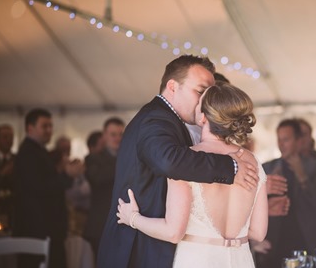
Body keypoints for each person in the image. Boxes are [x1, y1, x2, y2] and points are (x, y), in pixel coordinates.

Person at [97, 55, 258, 268]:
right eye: (200, 92)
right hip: (138, 249)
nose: (204, 102)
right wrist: (231, 167)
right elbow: (169, 161)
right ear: (172, 86)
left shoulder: (170, 120)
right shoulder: (155, 119)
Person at [12, 108, 83, 268]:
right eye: (45, 126)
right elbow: (39, 188)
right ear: (30, 128)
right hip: (37, 229)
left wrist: (66, 173)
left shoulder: (39, 151)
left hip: (46, 228)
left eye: (51, 126)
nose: (49, 130)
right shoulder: (28, 153)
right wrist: (67, 175)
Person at [257, 119, 316, 268]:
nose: (281, 144)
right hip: (276, 238)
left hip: (307, 238)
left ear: (298, 141)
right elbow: (256, 204)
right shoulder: (268, 167)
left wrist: (302, 175)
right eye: (279, 139)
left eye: (286, 139)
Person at [84, 117, 125, 257]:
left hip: (123, 224)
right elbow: (98, 178)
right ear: (104, 135)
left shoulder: (128, 157)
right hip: (101, 224)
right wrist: (125, 161)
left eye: (121, 134)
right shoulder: (93, 158)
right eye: (113, 134)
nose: (117, 138)